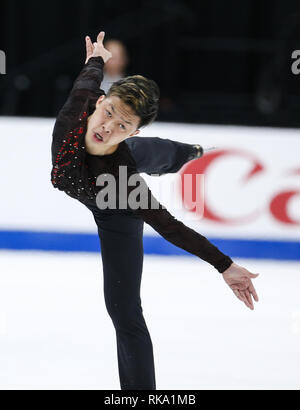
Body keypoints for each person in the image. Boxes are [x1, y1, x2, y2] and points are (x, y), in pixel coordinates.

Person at [50, 31, 259, 390]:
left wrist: (224, 265)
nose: (108, 126)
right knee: (148, 153)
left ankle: (190, 151)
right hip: (108, 172)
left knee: (124, 311)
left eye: (123, 125)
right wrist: (97, 58)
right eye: (110, 112)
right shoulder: (76, 114)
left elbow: (171, 227)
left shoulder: (124, 184)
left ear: (132, 131)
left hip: (113, 207)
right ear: (99, 103)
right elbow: (88, 78)